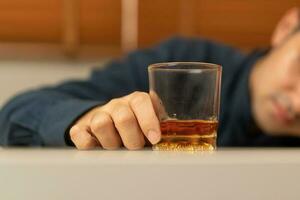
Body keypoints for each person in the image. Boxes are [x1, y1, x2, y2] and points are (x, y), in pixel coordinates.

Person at [1, 8, 300, 150]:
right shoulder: (178, 65)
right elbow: (17, 114)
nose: (297, 104)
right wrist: (89, 118)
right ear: (287, 28)